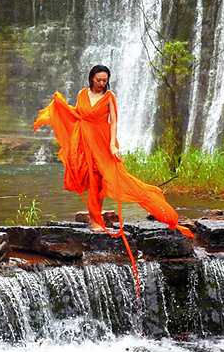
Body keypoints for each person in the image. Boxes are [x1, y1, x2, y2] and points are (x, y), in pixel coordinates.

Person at [33, 65, 193, 238]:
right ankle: (95, 221)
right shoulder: (82, 94)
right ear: (91, 78)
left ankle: (155, 202)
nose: (102, 83)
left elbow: (114, 122)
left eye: (105, 80)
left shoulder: (109, 96)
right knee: (93, 179)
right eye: (98, 80)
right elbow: (78, 114)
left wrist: (112, 145)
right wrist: (61, 107)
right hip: (85, 140)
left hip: (103, 141)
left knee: (107, 178)